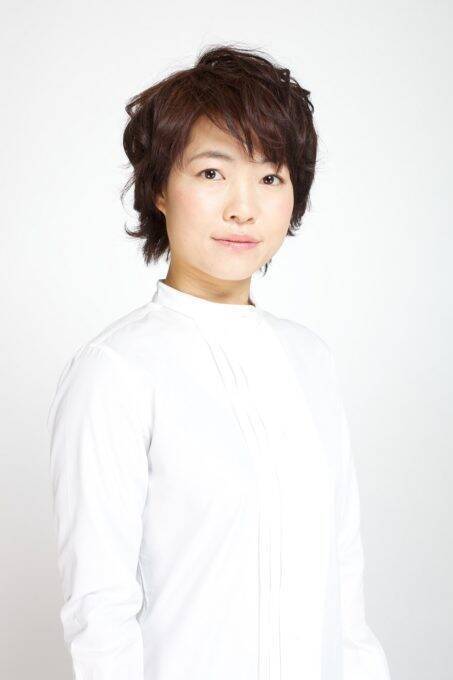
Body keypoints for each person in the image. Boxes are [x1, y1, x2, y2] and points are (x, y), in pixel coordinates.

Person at [47, 44, 392, 680]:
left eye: (271, 177)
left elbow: (343, 593)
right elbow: (100, 614)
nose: (243, 207)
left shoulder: (310, 359)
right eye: (211, 173)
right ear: (159, 188)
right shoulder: (115, 370)